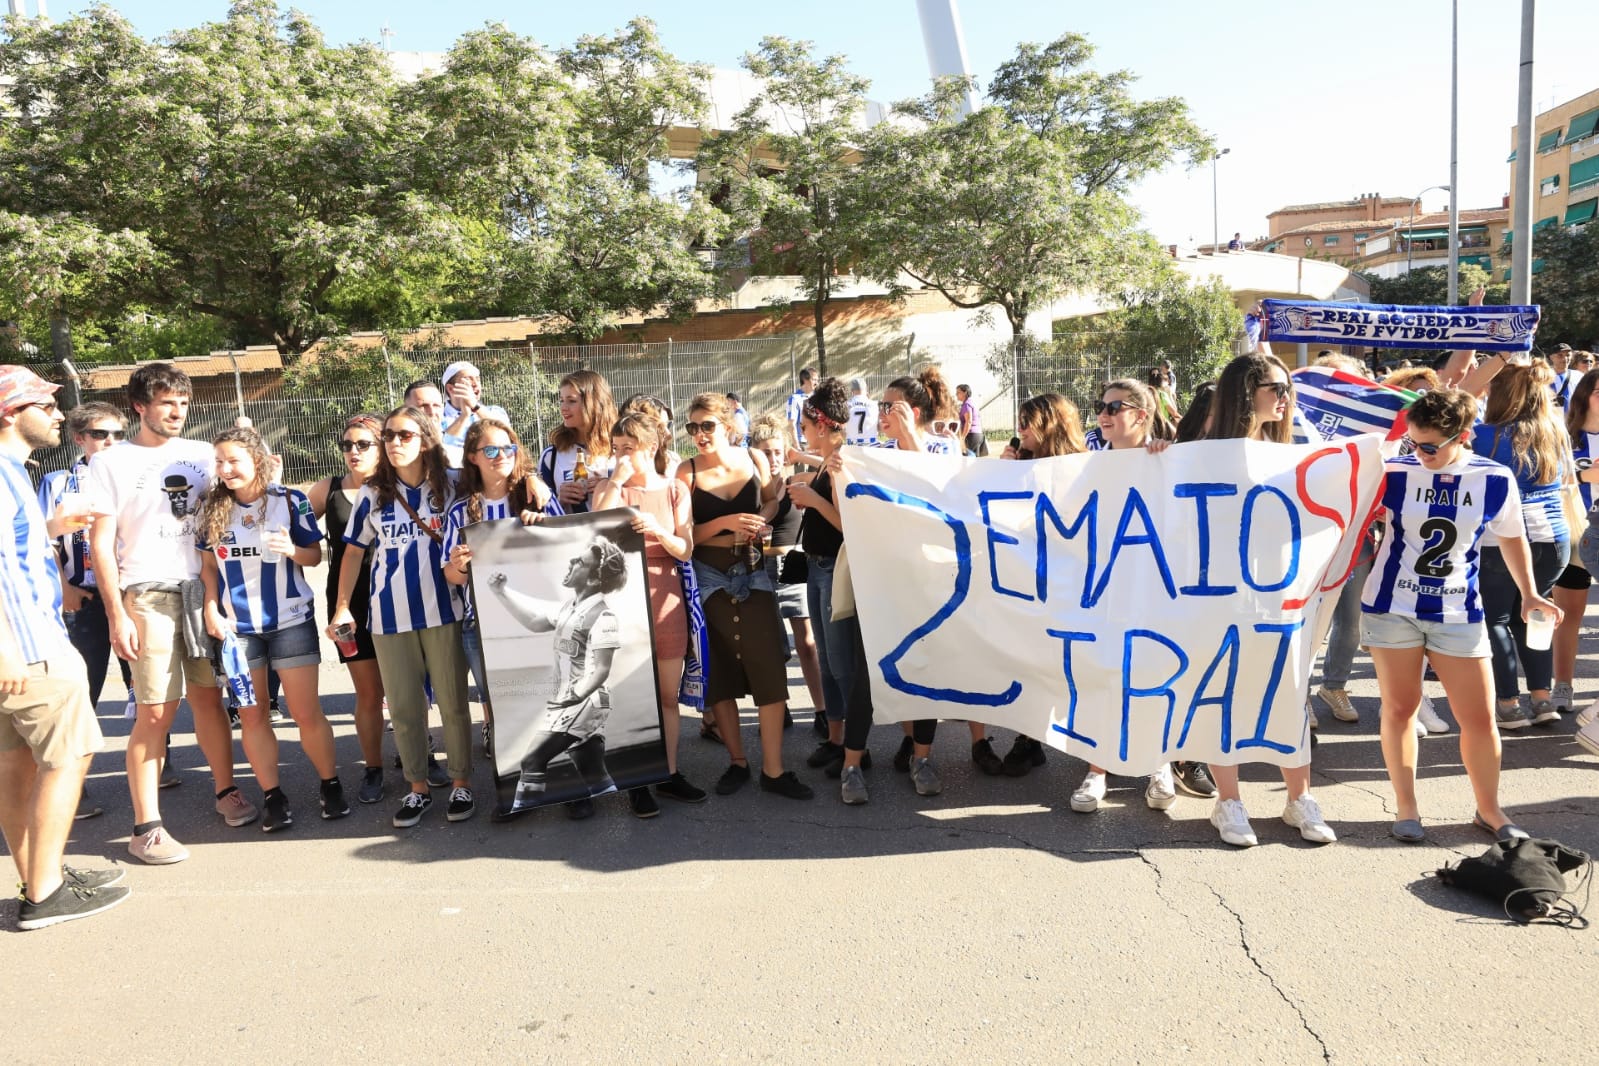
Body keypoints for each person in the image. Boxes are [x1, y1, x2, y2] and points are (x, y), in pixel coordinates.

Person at [1364, 388, 1560, 842]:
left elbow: (1511, 537)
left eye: (1431, 446)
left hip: (1458, 610)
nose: (1421, 453)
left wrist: (1530, 593)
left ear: (1463, 436)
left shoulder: (1493, 478)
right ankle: (1406, 807)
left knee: (1479, 718)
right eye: (1414, 443)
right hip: (1393, 607)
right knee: (1400, 708)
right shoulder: (1394, 471)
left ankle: (1489, 810)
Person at [87, 362, 255, 865]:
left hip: (202, 591)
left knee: (208, 699)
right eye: (166, 403)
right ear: (140, 406)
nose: (177, 411)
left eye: (183, 403)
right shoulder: (110, 463)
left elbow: (243, 496)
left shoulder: (203, 454)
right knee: (156, 711)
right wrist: (116, 614)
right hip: (146, 594)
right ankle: (147, 828)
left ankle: (226, 791)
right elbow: (100, 544)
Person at [0, 366, 130, 929]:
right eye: (45, 406)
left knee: (16, 766)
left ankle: (38, 878)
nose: (58, 416)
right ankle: (46, 893)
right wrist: (5, 648)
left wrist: (50, 529)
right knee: (68, 757)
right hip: (29, 648)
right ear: (10, 413)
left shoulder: (14, 473)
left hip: (23, 646)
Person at [1194, 353, 1335, 847]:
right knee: (1223, 695)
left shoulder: (1297, 450)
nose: (1285, 398)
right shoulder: (1203, 454)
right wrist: (1156, 456)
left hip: (1284, 595)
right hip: (1220, 596)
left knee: (1289, 692)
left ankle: (1300, 798)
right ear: (1245, 392)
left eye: (1287, 388)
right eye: (1276, 388)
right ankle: (1229, 802)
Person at [330, 406, 472, 829]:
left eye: (405, 435)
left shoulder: (453, 483)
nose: (394, 443)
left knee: (453, 704)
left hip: (445, 610)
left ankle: (462, 783)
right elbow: (352, 552)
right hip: (389, 617)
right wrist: (342, 606)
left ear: (426, 439)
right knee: (406, 709)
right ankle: (418, 788)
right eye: (389, 436)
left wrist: (533, 478)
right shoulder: (373, 492)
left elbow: (502, 478)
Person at [197, 427, 346, 831]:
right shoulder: (210, 507)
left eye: (234, 461)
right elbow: (208, 566)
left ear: (257, 461)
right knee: (252, 715)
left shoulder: (290, 500)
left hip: (290, 621)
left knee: (305, 712)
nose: (225, 469)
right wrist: (210, 608)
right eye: (220, 462)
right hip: (237, 630)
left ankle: (330, 784)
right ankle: (272, 796)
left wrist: (291, 550)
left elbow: (314, 556)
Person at [677, 392, 812, 800]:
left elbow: (771, 501)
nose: (699, 434)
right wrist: (726, 522)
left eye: (707, 426)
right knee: (719, 672)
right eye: (693, 427)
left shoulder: (753, 458)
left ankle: (774, 770)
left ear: (728, 425)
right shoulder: (686, 471)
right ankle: (737, 762)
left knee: (768, 666)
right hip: (709, 576)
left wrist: (760, 522)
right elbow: (683, 536)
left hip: (753, 571)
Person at [1059, 381, 1182, 814]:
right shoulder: (1091, 464)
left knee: (1155, 675)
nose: (1103, 414)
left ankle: (1158, 765)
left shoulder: (1169, 460)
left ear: (1142, 415)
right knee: (1105, 677)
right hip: (1104, 591)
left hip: (1155, 590)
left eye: (1114, 407)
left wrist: (1168, 460)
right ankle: (1098, 770)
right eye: (1100, 406)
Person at [439, 419, 571, 808]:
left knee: (552, 704)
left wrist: (544, 527)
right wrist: (460, 565)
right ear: (473, 457)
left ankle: (569, 788)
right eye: (491, 450)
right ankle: (515, 792)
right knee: (504, 711)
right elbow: (450, 576)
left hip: (538, 619)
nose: (501, 456)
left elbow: (569, 549)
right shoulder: (460, 511)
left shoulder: (536, 498)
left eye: (508, 448)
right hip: (482, 624)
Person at [592, 413, 707, 813]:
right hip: (621, 594)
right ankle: (637, 779)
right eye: (616, 448)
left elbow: (685, 549)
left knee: (666, 695)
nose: (621, 456)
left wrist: (658, 530)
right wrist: (617, 480)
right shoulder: (610, 488)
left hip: (665, 593)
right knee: (631, 693)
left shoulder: (675, 489)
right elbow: (594, 528)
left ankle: (669, 773)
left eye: (630, 448)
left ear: (652, 447)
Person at [36, 401, 137, 818]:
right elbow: (44, 540)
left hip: (129, 596)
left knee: (144, 685)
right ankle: (70, 786)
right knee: (80, 690)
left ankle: (157, 762)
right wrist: (65, 589)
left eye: (117, 434)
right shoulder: (58, 482)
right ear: (79, 438)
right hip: (83, 598)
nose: (110, 441)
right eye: (100, 434)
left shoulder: (133, 475)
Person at [486, 538, 630, 813]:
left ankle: (518, 808)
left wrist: (573, 697)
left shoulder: (603, 616)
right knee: (591, 767)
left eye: (579, 562)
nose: (571, 563)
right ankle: (589, 801)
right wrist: (501, 592)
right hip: (573, 700)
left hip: (585, 700)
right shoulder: (569, 607)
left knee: (532, 759)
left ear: (593, 579)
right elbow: (533, 622)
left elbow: (602, 668)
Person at [1471, 362, 1571, 730]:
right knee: (1535, 612)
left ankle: (1508, 703)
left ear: (1499, 394)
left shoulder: (1482, 435)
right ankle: (1542, 698)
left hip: (1501, 537)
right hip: (1552, 536)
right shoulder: (1555, 430)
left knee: (1495, 619)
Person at [784, 380, 864, 786]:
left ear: (820, 424)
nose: (802, 431)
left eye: (804, 425)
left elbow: (849, 525)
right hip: (818, 569)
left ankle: (855, 746)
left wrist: (813, 500)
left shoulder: (839, 464)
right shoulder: (826, 459)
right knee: (829, 664)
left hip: (834, 569)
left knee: (841, 663)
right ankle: (836, 739)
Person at [307, 414, 389, 804]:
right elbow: (295, 529)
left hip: (395, 597)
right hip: (347, 604)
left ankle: (420, 758)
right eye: (347, 445)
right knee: (368, 693)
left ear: (382, 446)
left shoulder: (397, 486)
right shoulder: (328, 489)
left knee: (407, 690)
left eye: (363, 444)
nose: (353, 452)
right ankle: (373, 768)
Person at [745, 415, 827, 738]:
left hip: (794, 567)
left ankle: (822, 710)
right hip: (760, 569)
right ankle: (780, 708)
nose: (773, 458)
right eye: (766, 452)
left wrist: (800, 456)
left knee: (806, 642)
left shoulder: (798, 481)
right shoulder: (750, 488)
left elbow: (833, 469)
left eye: (778, 451)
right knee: (772, 646)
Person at [1553, 366, 1599, 715]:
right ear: (1584, 396)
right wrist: (1585, 476)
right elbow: (1546, 480)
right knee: (1569, 614)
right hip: (1572, 532)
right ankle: (1562, 685)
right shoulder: (1563, 435)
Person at [539, 369, 617, 515]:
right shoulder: (551, 456)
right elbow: (539, 512)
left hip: (614, 530)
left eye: (572, 401)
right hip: (570, 530)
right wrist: (558, 500)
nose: (563, 407)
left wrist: (611, 486)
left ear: (594, 403)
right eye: (562, 400)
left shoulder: (621, 449)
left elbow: (640, 496)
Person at [440, 361, 511, 468]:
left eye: (477, 379)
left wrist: (475, 407)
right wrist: (464, 416)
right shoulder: (438, 416)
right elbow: (441, 447)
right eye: (468, 379)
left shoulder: (495, 411)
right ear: (451, 388)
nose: (475, 384)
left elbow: (507, 434)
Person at [785, 367, 815, 452]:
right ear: (805, 380)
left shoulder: (815, 397)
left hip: (815, 442)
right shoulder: (795, 399)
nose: (817, 382)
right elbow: (791, 424)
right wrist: (796, 445)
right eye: (814, 379)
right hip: (802, 443)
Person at [955, 384, 987, 457]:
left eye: (958, 392)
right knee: (975, 460)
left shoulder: (966, 404)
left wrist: (962, 437)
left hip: (971, 435)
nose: (956, 394)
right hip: (978, 434)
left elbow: (968, 421)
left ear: (965, 393)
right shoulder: (972, 402)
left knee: (967, 459)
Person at [844, 378, 876, 447]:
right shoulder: (874, 405)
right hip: (871, 445)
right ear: (866, 389)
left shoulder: (846, 405)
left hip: (851, 445)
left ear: (852, 390)